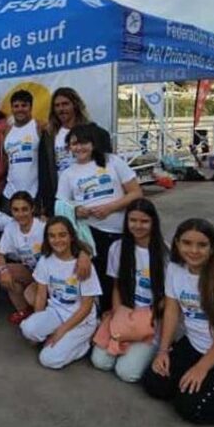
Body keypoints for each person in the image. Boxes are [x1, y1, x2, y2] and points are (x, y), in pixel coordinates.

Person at [142, 219, 214, 424]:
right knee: (155, 383)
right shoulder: (175, 268)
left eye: (202, 245)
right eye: (187, 243)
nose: (194, 250)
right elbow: (172, 311)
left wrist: (202, 367)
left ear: (212, 247)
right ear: (177, 244)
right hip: (195, 346)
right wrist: (163, 351)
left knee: (192, 407)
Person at [56, 123, 142, 311]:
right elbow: (61, 206)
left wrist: (110, 208)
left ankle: (128, 320)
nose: (79, 147)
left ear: (93, 144)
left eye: (83, 142)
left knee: (125, 279)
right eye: (73, 144)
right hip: (91, 236)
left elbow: (136, 193)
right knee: (101, 281)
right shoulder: (68, 174)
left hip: (121, 232)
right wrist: (76, 210)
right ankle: (103, 318)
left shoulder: (113, 161)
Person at [91, 198, 168, 383]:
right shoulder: (118, 248)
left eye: (144, 221)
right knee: (100, 362)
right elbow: (117, 286)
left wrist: (149, 318)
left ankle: (151, 347)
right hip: (126, 311)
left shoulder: (166, 252)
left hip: (151, 317)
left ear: (153, 222)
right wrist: (119, 315)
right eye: (133, 220)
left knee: (127, 373)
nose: (138, 226)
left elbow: (169, 298)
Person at [20, 217, 102, 369]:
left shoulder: (83, 265)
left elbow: (86, 307)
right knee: (28, 328)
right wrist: (38, 321)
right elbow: (41, 295)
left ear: (71, 236)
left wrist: (60, 332)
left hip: (80, 320)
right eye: (52, 236)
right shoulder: (45, 260)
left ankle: (85, 341)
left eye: (62, 235)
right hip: (56, 312)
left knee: (48, 359)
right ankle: (57, 339)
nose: (57, 240)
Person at [38, 87, 113, 217]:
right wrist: (47, 205)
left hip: (90, 195)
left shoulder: (96, 133)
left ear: (75, 105)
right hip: (63, 198)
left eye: (65, 104)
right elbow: (44, 172)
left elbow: (107, 166)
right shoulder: (49, 135)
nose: (61, 109)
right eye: (57, 105)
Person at [0, 191, 45, 325]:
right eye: (16, 210)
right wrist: (3, 271)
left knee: (30, 294)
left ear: (32, 208)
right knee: (1, 273)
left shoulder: (43, 226)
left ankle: (41, 318)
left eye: (24, 209)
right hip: (31, 270)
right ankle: (24, 311)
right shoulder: (11, 227)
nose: (20, 214)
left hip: (48, 275)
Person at [3, 90, 41, 210]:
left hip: (34, 195)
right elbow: (6, 160)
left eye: (24, 105)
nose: (20, 109)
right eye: (16, 106)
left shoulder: (39, 126)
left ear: (31, 107)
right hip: (10, 194)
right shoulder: (7, 130)